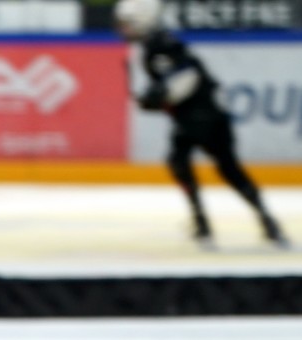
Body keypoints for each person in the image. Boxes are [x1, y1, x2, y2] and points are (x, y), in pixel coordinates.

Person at [115, 0, 285, 246]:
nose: (123, 29)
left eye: (127, 24)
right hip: (213, 112)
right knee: (229, 169)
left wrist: (160, 95)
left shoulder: (158, 45)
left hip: (196, 115)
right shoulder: (160, 42)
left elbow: (185, 77)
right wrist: (158, 96)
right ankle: (267, 220)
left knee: (179, 161)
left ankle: (202, 222)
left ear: (142, 20)